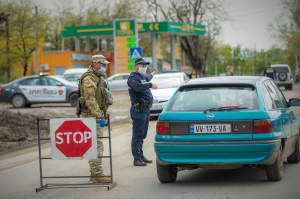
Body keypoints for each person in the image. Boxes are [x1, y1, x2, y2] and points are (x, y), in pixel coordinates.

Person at [78, 54, 113, 183]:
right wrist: (100, 116)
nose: (105, 67)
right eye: (104, 65)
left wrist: (104, 114)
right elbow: (90, 100)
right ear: (97, 64)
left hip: (97, 116)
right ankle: (97, 173)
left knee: (96, 145)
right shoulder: (89, 78)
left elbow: (103, 99)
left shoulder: (99, 78)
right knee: (96, 146)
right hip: (91, 117)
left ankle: (95, 173)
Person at [127, 57, 158, 166]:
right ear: (136, 66)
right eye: (142, 65)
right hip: (138, 109)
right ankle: (136, 158)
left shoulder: (141, 77)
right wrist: (150, 85)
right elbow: (137, 87)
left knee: (143, 134)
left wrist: (153, 73)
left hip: (145, 110)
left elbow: (148, 77)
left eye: (145, 66)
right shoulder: (133, 78)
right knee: (137, 135)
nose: (144, 68)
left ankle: (140, 155)